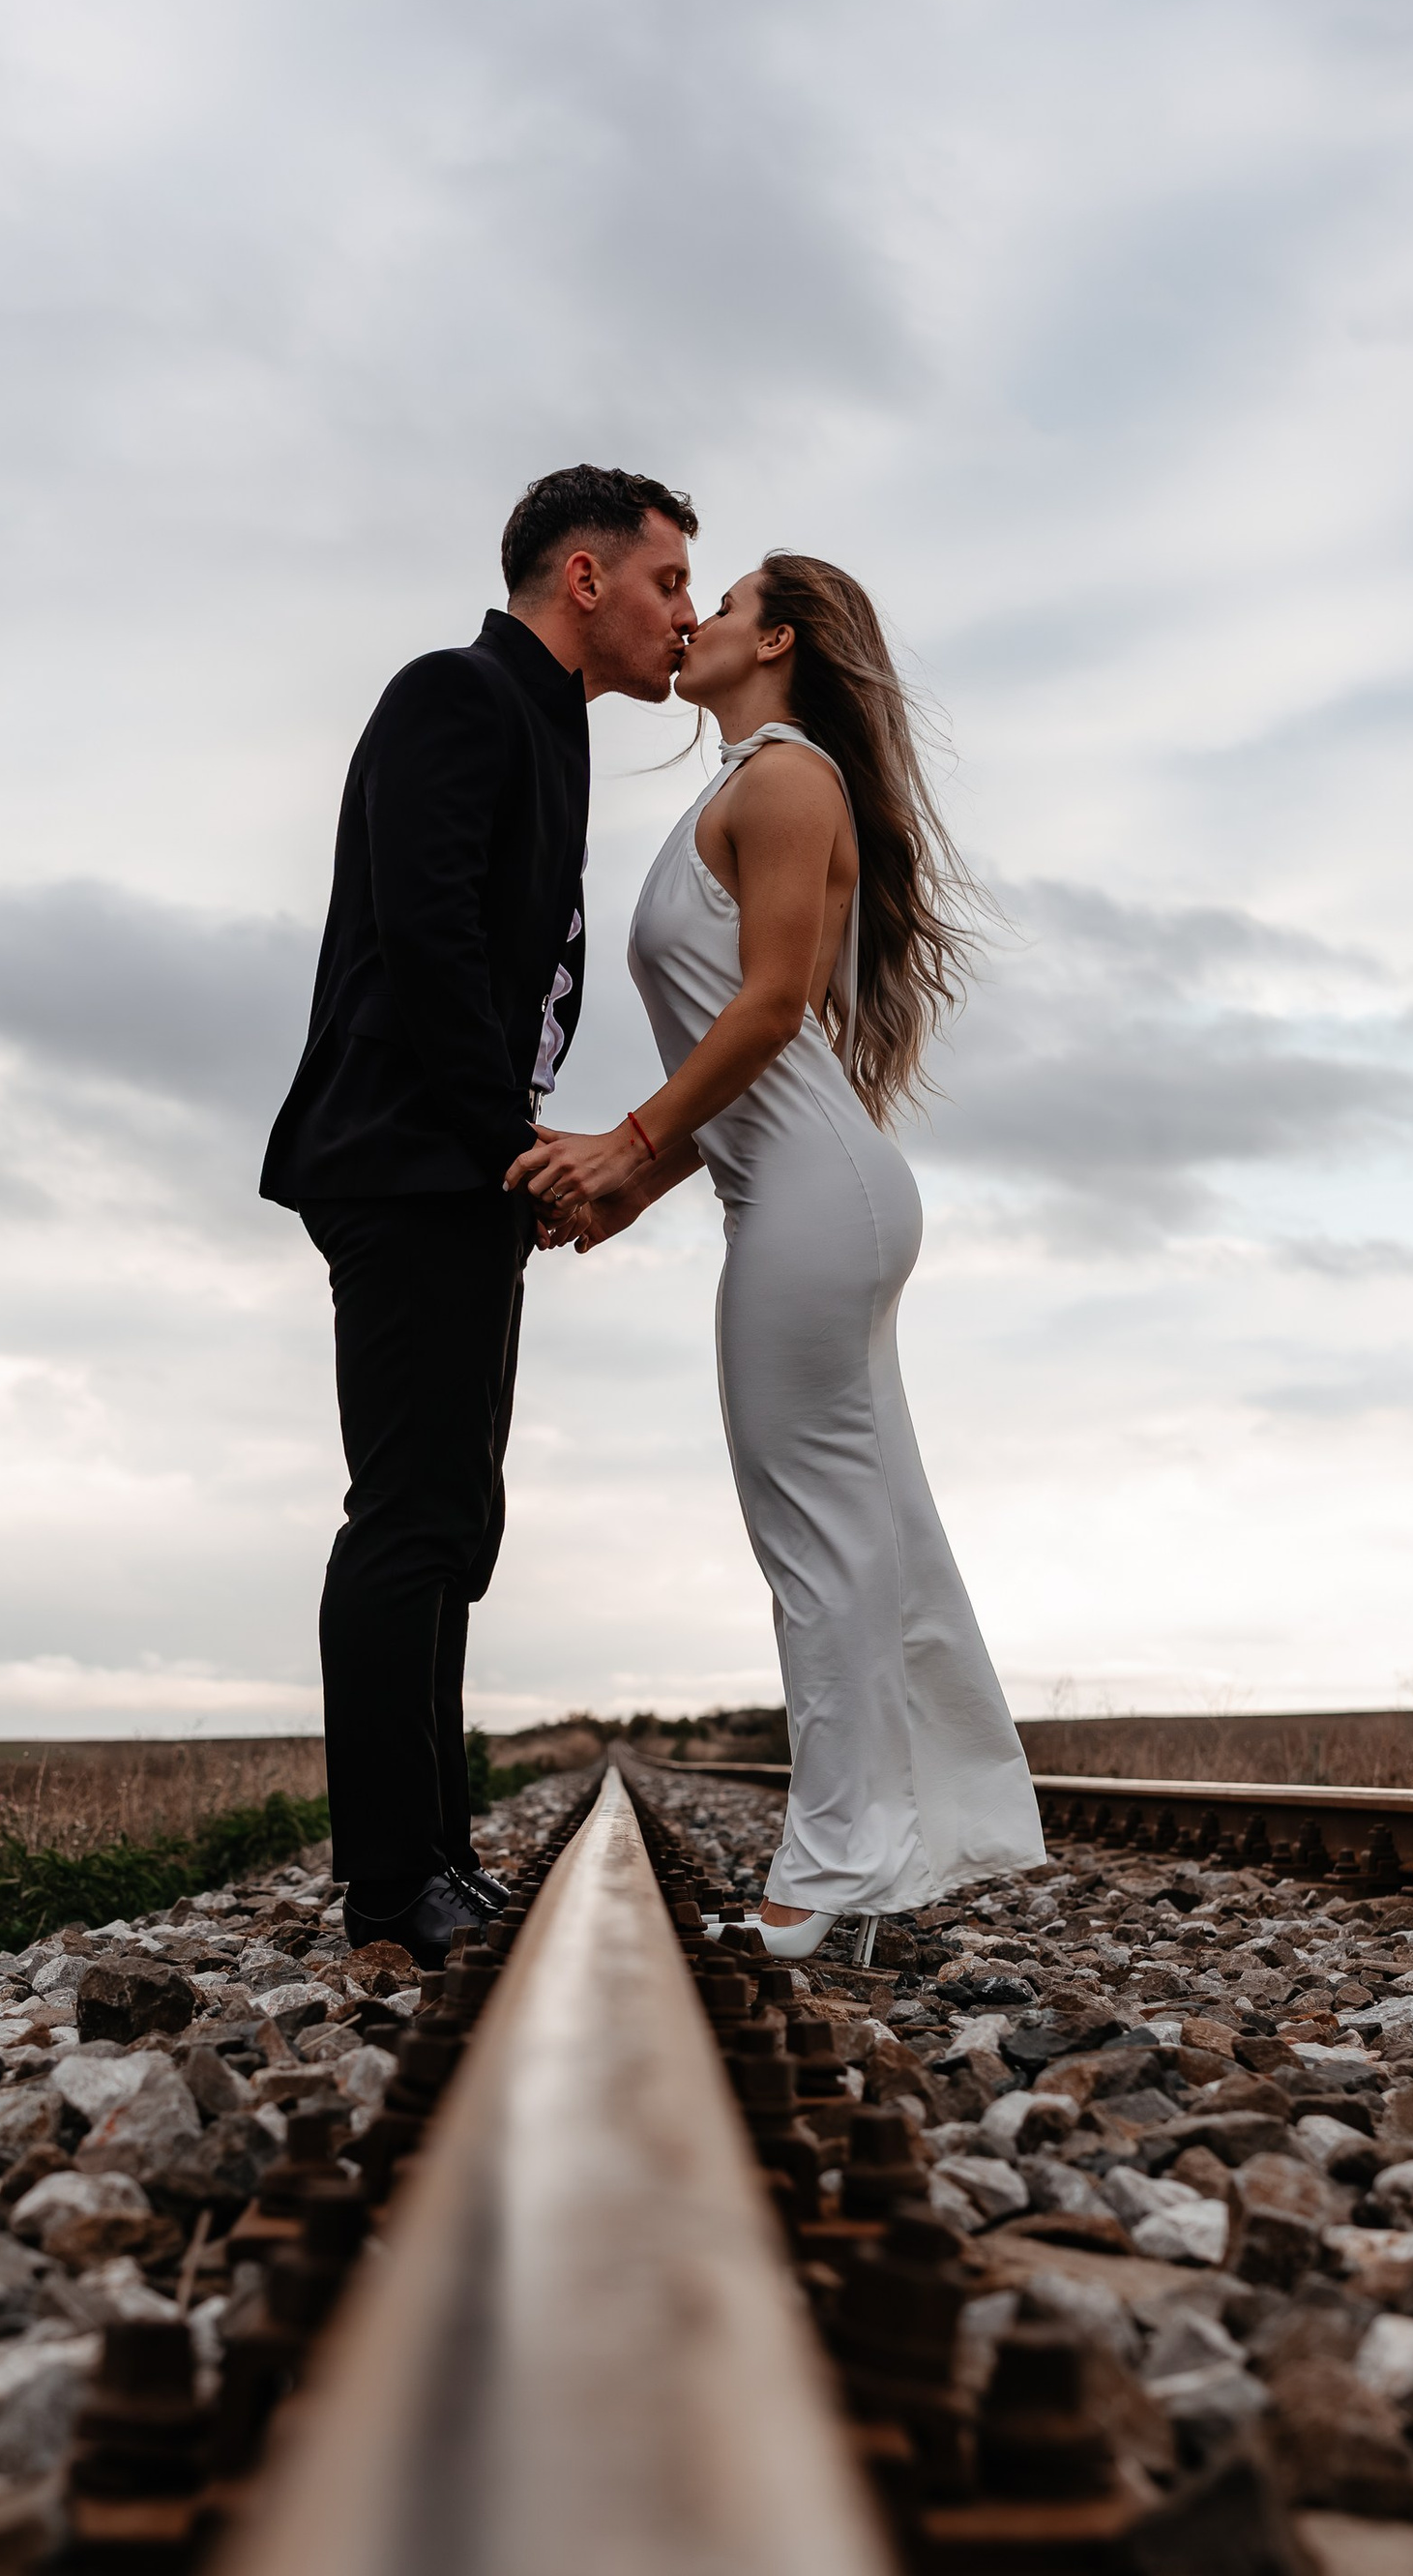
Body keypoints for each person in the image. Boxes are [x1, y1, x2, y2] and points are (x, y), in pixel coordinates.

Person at [509, 552, 1044, 1959]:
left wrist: (627, 1145)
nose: (694, 618)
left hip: (814, 1198)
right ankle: (885, 1850)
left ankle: (835, 1867)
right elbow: (751, 1047)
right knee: (858, 1532)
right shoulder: (750, 784)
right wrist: (642, 1180)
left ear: (780, 641)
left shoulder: (788, 777)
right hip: (795, 1192)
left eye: (725, 601)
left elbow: (771, 1011)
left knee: (820, 1541)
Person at [262, 464, 699, 1965]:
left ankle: (435, 1858)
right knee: (411, 1516)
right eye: (666, 583)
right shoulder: (456, 693)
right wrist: (517, 1150)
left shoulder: (545, 725)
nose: (683, 617)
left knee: (456, 1520)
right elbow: (429, 935)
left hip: (453, 1167)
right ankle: (392, 1888)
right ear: (585, 578)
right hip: (409, 1159)